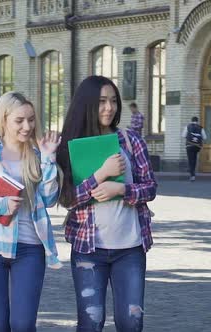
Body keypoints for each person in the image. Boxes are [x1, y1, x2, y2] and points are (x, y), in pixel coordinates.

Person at [56, 76, 157, 332]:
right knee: (91, 323)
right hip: (89, 250)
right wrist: (100, 175)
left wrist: (121, 189)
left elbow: (150, 188)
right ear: (87, 105)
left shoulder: (132, 141)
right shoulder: (72, 146)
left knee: (131, 323)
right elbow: (67, 199)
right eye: (101, 102)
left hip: (130, 249)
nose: (109, 108)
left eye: (113, 101)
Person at [0, 91, 62, 332]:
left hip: (30, 248)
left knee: (23, 325)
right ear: (3, 119)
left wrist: (49, 158)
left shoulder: (37, 153)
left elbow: (49, 200)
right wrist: (0, 205)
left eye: (31, 119)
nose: (27, 126)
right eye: (19, 120)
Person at [181, 116, 207, 182]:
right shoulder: (200, 127)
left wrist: (189, 137)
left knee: (190, 159)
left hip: (189, 146)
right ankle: (192, 171)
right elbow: (205, 137)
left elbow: (183, 135)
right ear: (197, 121)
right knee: (194, 159)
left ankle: (192, 174)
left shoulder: (188, 126)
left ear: (191, 120)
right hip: (197, 147)